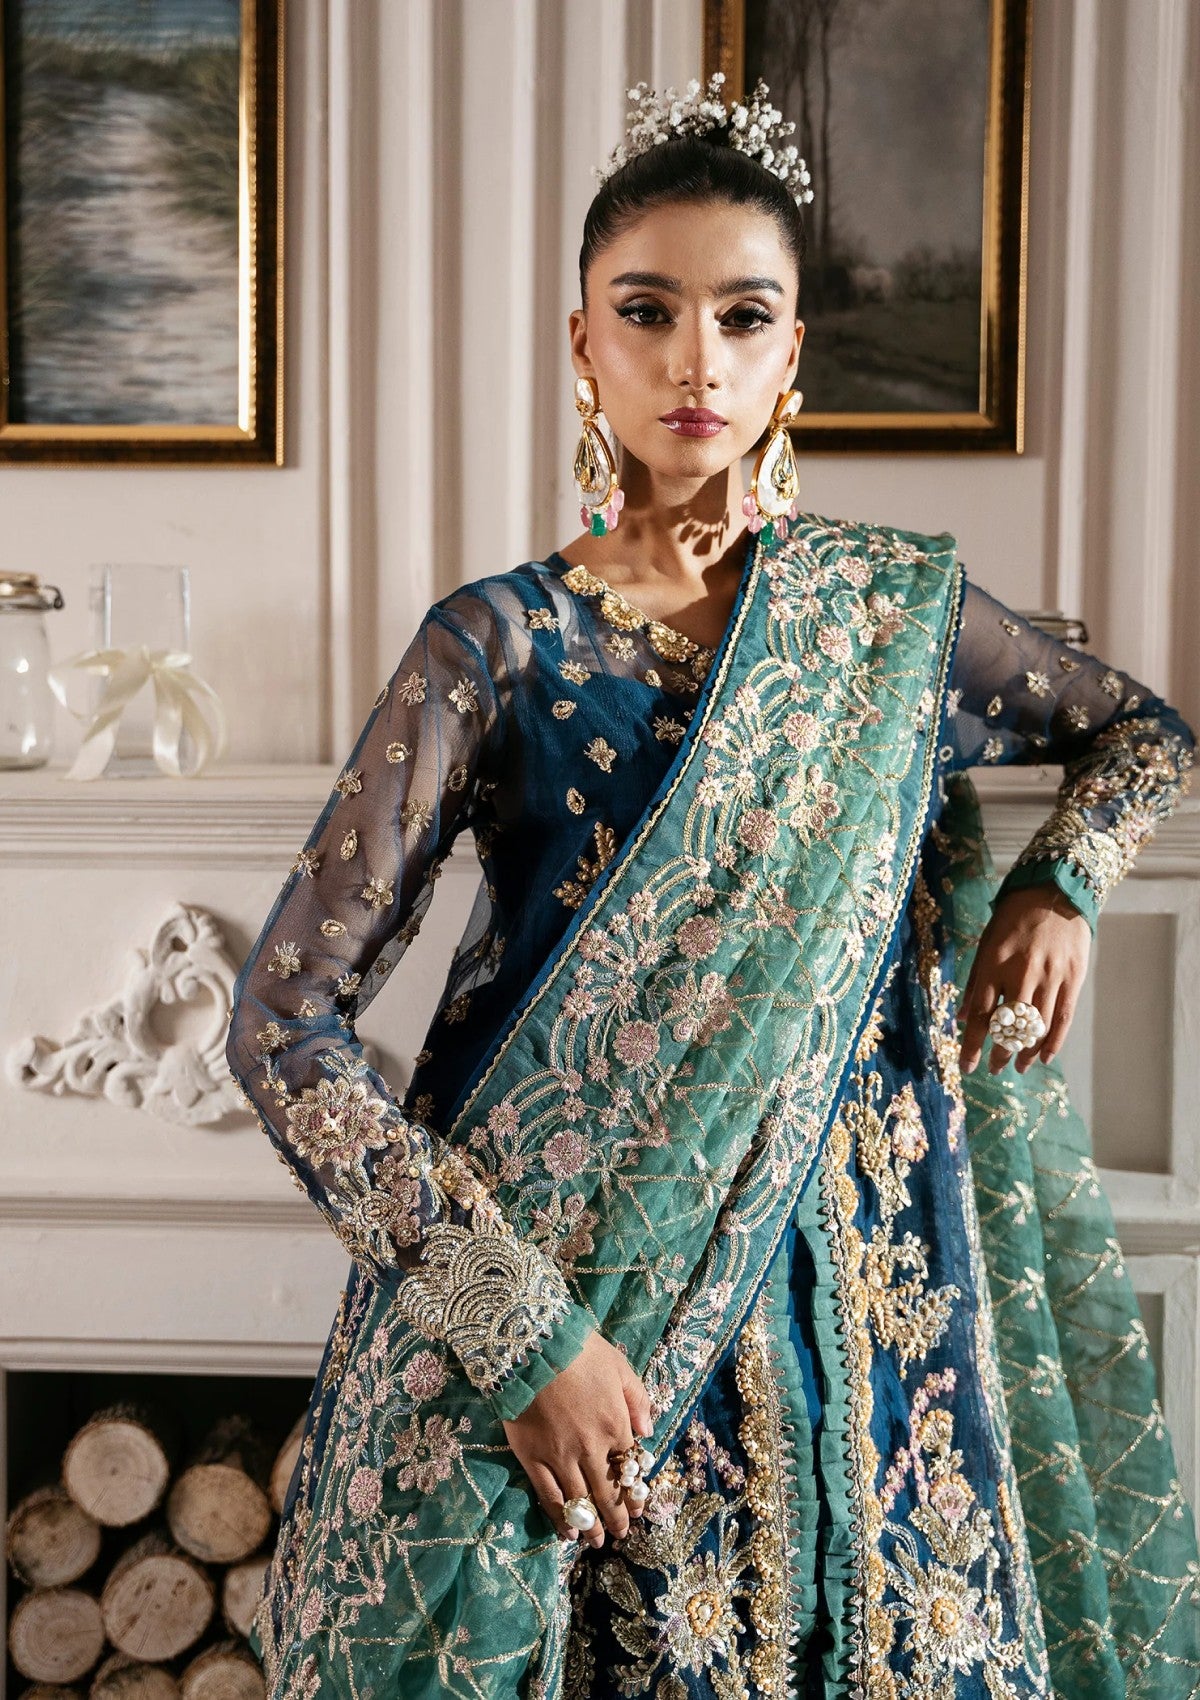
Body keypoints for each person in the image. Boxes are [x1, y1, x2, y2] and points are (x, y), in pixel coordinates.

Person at [225, 73, 1199, 1700]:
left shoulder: (885, 615)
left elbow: (1143, 738)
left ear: (792, 353)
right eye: (649, 311)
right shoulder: (499, 643)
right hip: (590, 1303)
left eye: (743, 318)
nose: (698, 362)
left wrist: (1062, 885)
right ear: (582, 343)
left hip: (870, 1296)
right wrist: (514, 1326)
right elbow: (281, 1025)